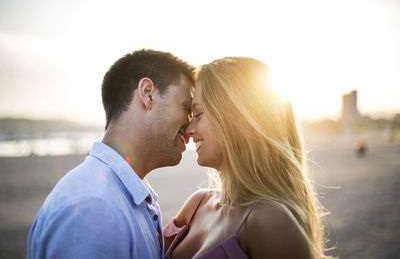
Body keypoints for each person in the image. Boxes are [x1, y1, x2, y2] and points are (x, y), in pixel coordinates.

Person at [27, 49, 195, 259]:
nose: (190, 126)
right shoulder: (94, 208)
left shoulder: (117, 196)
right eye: (186, 107)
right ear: (148, 93)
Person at [163, 57, 329, 258]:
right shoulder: (197, 205)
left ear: (236, 120)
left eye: (197, 114)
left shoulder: (270, 220)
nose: (189, 130)